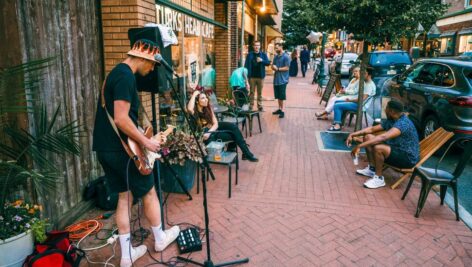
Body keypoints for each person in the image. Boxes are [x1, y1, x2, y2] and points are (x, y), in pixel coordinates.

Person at [92, 39, 180, 267]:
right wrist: (147, 143)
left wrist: (143, 134)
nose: (151, 69)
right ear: (143, 58)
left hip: (106, 148)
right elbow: (121, 118)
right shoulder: (125, 77)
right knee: (149, 192)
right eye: (151, 64)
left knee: (124, 195)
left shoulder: (115, 74)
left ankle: (126, 256)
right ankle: (160, 239)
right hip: (123, 151)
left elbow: (120, 118)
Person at [346, 100, 420, 189]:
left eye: (386, 108)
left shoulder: (403, 123)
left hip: (407, 158)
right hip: (397, 149)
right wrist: (353, 134)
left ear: (391, 111)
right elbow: (372, 129)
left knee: (379, 148)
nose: (384, 110)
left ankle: (379, 179)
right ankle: (372, 169)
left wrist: (359, 146)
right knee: (368, 137)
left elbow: (383, 137)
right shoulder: (392, 119)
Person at [187, 90, 259, 162]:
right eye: (202, 98)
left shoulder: (208, 108)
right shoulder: (194, 112)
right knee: (234, 135)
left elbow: (216, 124)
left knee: (233, 127)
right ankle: (244, 153)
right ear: (197, 101)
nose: (206, 99)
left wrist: (209, 132)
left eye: (206, 97)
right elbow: (189, 108)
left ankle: (244, 153)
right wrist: (194, 94)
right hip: (209, 135)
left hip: (211, 130)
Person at [244, 40, 271, 111]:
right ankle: (251, 105)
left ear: (260, 46)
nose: (257, 47)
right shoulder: (249, 55)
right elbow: (246, 66)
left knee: (260, 92)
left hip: (260, 77)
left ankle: (260, 106)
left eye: (258, 45)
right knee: (252, 92)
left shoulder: (263, 54)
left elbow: (268, 63)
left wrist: (262, 61)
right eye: (255, 45)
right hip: (252, 77)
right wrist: (246, 77)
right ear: (253, 46)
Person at [271, 43, 291, 118]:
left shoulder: (286, 57)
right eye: (275, 48)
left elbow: (287, 68)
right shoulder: (276, 57)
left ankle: (282, 110)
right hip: (276, 79)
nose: (275, 50)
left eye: (277, 48)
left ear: (281, 47)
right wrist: (273, 67)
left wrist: (278, 69)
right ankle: (279, 109)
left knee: (281, 96)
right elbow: (272, 66)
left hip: (283, 80)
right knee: (278, 96)